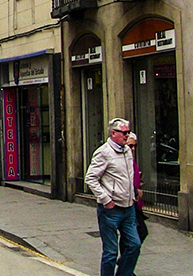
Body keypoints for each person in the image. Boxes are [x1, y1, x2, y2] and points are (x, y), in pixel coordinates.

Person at [84, 118, 141, 276]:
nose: (127, 135)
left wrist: (134, 192)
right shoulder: (104, 152)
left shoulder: (127, 151)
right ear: (113, 133)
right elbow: (90, 178)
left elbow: (127, 176)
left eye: (128, 132)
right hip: (111, 210)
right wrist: (106, 199)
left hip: (128, 208)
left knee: (134, 245)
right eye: (124, 132)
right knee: (110, 252)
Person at [121, 133, 148, 254]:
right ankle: (125, 264)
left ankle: (125, 264)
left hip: (135, 203)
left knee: (132, 235)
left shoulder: (131, 160)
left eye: (134, 146)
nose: (133, 149)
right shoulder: (123, 160)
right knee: (138, 233)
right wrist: (135, 190)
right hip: (127, 203)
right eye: (130, 145)